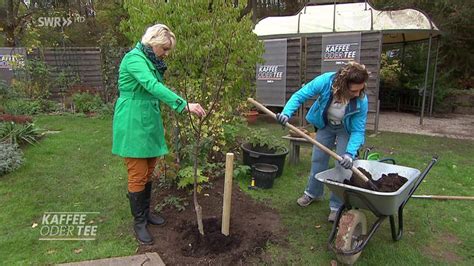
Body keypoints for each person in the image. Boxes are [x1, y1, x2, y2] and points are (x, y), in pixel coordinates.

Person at [112, 24, 206, 245]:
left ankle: (146, 213)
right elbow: (151, 85)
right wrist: (184, 105)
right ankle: (139, 222)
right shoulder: (134, 59)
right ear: (153, 42)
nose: (166, 54)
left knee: (149, 171)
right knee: (137, 173)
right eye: (164, 49)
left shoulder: (150, 60)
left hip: (149, 120)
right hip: (132, 120)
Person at [275, 62, 369, 222]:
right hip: (325, 125)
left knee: (342, 165)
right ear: (343, 85)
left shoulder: (361, 100)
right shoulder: (326, 81)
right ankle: (313, 193)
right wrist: (286, 113)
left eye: (361, 88)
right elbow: (300, 95)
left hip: (345, 130)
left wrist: (349, 153)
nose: (358, 93)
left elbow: (358, 130)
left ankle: (336, 205)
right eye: (354, 90)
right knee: (318, 160)